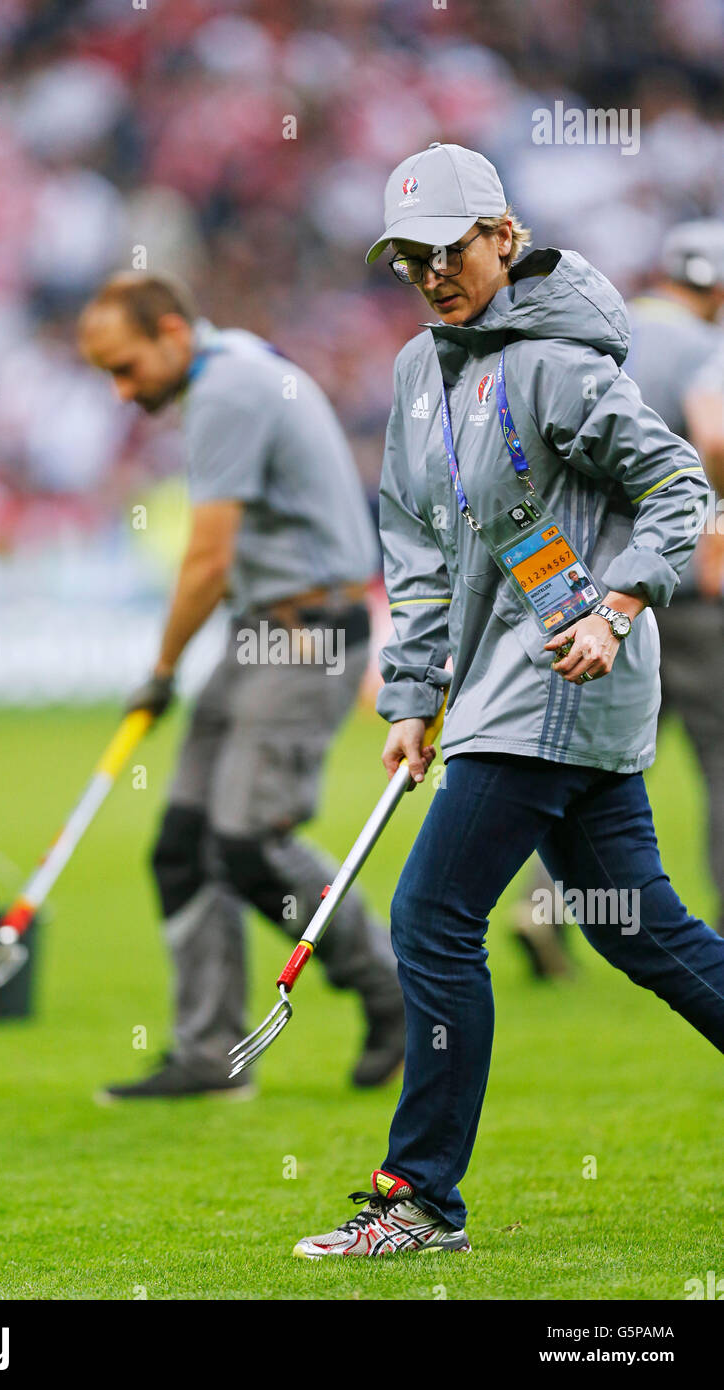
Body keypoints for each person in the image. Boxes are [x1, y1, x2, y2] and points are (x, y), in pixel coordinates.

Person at [293, 142, 724, 1259]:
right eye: (406, 259)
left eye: (446, 251)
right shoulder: (412, 372)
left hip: (562, 684)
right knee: (647, 934)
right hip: (492, 694)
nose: (428, 275)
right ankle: (421, 1199)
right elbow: (417, 549)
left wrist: (616, 605)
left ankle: (418, 1198)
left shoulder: (560, 365)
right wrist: (410, 691)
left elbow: (681, 485)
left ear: (502, 236)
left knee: (430, 916)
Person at [77, 273, 405, 1100]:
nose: (122, 391)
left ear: (173, 334)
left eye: (126, 368)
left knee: (249, 841)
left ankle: (392, 987)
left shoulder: (226, 390)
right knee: (184, 846)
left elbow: (208, 558)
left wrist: (158, 673)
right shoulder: (228, 366)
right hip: (263, 629)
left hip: (308, 635)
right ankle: (211, 1058)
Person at [513, 220, 724, 976]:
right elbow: (717, 438)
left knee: (592, 762)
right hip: (687, 583)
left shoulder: (611, 333)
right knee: (720, 758)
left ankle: (541, 905)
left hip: (595, 581)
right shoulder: (707, 346)